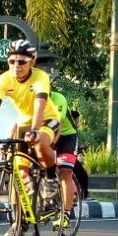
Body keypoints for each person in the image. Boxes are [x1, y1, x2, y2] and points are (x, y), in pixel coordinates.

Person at [0, 39, 61, 214]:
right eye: (12, 61)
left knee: (41, 144)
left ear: (32, 62)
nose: (16, 66)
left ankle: (51, 177)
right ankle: (20, 217)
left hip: (47, 118)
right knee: (19, 171)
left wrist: (34, 130)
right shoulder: (4, 79)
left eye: (21, 61)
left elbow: (39, 105)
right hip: (23, 123)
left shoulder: (40, 77)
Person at [48, 86, 81, 225]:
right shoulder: (31, 100)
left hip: (66, 136)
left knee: (65, 171)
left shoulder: (58, 98)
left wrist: (51, 143)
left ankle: (65, 214)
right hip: (46, 134)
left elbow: (58, 122)